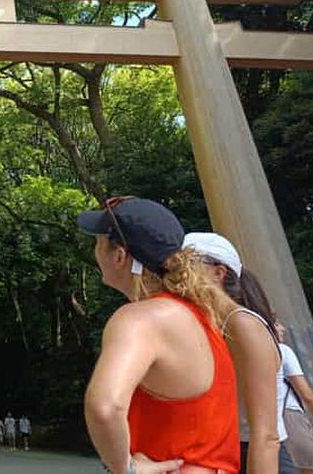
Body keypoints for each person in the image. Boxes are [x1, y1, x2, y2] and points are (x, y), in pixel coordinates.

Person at [79, 197, 239, 474]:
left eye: (98, 242)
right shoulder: (203, 316)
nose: (95, 252)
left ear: (119, 256)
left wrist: (124, 469)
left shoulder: (139, 319)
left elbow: (104, 407)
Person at [184, 232, 289, 474]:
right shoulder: (213, 324)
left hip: (257, 456)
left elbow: (266, 436)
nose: (177, 274)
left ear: (218, 273)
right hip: (229, 451)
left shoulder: (242, 324)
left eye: (189, 264)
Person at [276, 320, 313, 474]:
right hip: (290, 417)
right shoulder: (282, 350)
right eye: (277, 324)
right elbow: (308, 396)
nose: (282, 328)